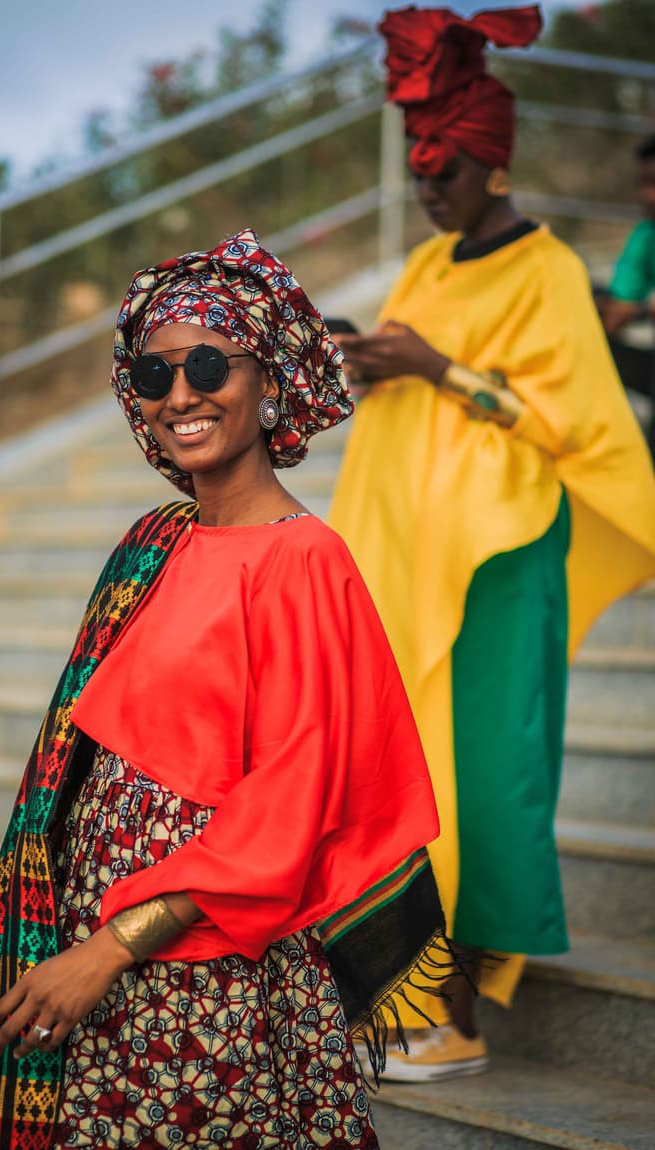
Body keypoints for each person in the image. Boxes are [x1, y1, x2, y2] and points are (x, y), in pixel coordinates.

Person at [0, 227, 451, 1150]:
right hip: (89, 943)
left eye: (209, 364)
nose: (180, 396)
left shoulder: (304, 561)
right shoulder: (156, 540)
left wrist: (110, 949)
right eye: (153, 374)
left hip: (200, 969)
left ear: (269, 378)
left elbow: (287, 809)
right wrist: (80, 938)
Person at [328, 4, 655, 1083]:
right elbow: (413, 362)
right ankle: (405, 994)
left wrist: (435, 370)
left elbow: (563, 421)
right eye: (420, 173)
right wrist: (369, 357)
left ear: (496, 169)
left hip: (501, 559)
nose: (429, 189)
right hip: (410, 556)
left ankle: (453, 1014)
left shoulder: (549, 270)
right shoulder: (428, 268)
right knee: (401, 772)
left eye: (448, 171)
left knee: (477, 778)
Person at [599, 134, 655, 338]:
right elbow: (619, 308)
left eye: (654, 183)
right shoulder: (646, 235)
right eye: (642, 184)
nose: (646, 195)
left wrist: (641, 309)